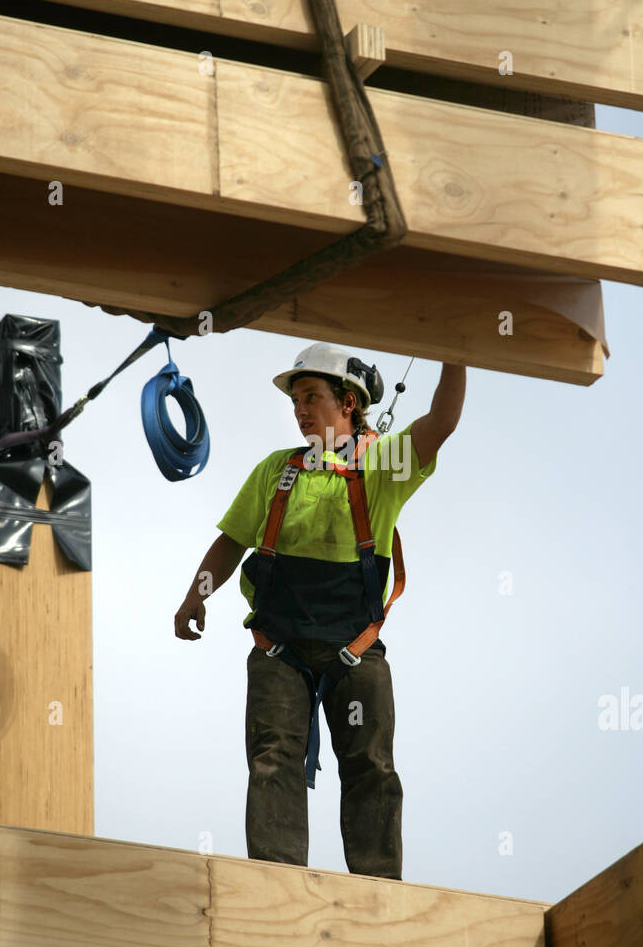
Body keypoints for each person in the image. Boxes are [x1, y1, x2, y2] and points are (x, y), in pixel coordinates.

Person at [175, 343, 465, 880]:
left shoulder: (382, 465)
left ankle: (378, 890)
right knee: (272, 761)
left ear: (348, 403)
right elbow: (231, 541)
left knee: (371, 768)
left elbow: (443, 421)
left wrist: (455, 348)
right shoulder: (277, 470)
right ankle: (277, 884)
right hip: (278, 650)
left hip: (353, 649)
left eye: (312, 397)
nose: (300, 409)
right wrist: (198, 593)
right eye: (296, 401)